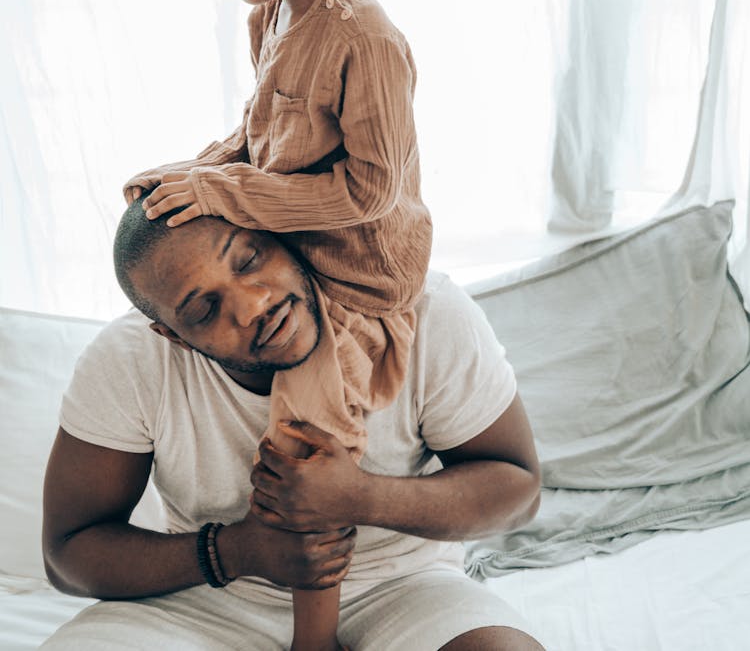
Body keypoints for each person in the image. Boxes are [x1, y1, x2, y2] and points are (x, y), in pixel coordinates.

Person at [120, 0, 433, 648]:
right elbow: (261, 142)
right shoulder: (274, 17)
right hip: (308, 256)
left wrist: (233, 193)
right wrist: (192, 173)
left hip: (360, 275)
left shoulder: (365, 38)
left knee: (305, 445)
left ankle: (313, 635)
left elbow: (371, 191)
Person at [41, 202, 545, 651]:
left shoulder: (419, 309)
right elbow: (67, 554)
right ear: (172, 335)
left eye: (250, 259)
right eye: (204, 308)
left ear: (280, 234)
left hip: (405, 584)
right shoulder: (129, 360)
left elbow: (518, 489)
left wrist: (361, 497)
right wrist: (234, 550)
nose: (253, 304)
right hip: (211, 595)